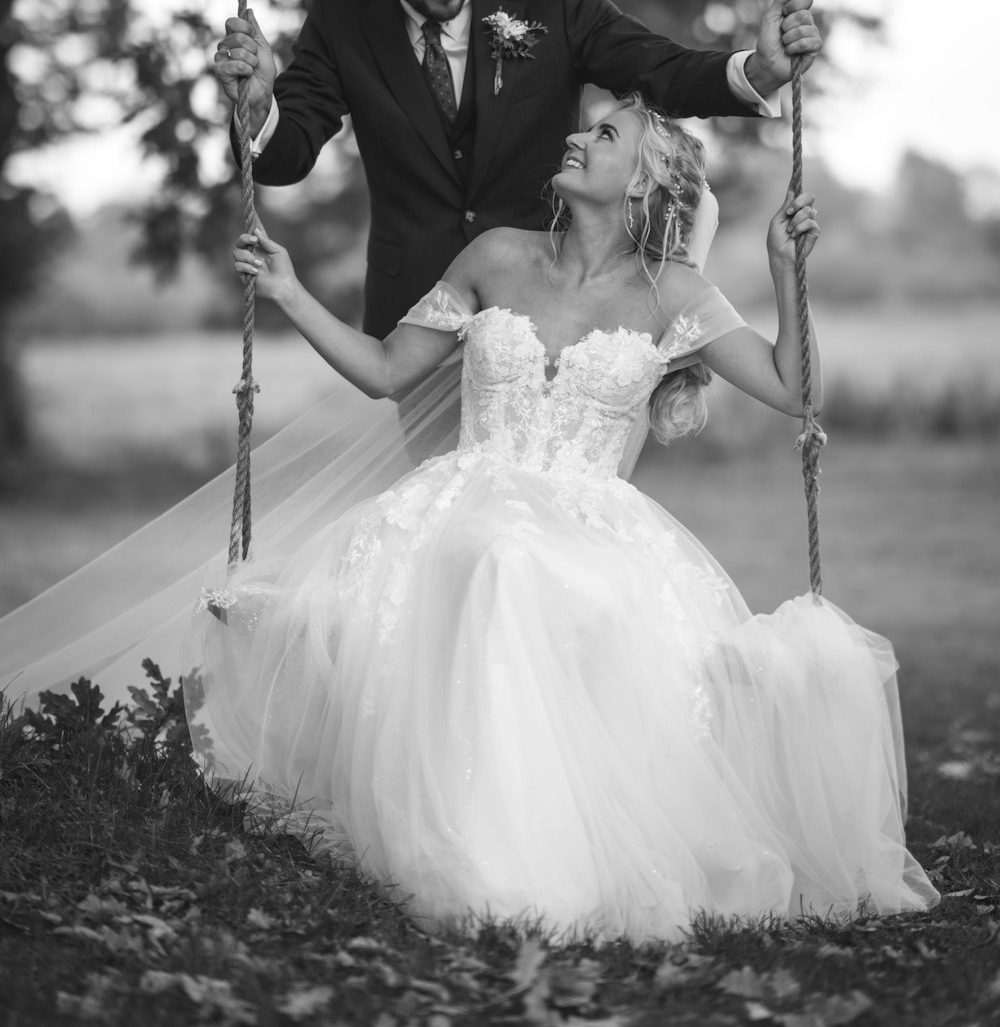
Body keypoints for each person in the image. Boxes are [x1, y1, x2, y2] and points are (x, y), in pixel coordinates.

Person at [183, 94, 937, 943]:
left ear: (643, 181)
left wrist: (782, 267)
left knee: (519, 562)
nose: (577, 135)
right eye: (584, 125)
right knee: (497, 552)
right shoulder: (495, 256)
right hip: (460, 501)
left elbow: (798, 394)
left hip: (590, 527)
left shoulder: (675, 295)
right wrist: (285, 291)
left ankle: (532, 868)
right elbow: (389, 371)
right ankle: (482, 856)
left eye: (604, 134)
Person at [212, 0, 821, 337]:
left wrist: (760, 71)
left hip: (550, 308)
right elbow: (284, 159)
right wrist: (260, 104)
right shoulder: (339, 15)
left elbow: (661, 71)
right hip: (414, 311)